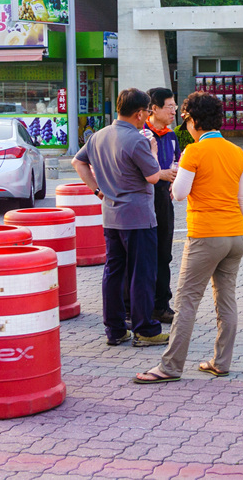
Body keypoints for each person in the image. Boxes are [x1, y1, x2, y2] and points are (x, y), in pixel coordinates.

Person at [133, 91, 243, 384]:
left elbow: (179, 193)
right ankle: (220, 362)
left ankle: (170, 367)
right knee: (227, 299)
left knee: (187, 300)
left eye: (186, 120)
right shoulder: (237, 152)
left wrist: (178, 175)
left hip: (206, 234)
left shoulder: (193, 152)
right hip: (235, 234)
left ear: (194, 121)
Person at [73, 88, 168, 348]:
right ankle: (145, 330)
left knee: (113, 273)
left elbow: (78, 163)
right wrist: (153, 150)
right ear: (139, 113)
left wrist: (97, 190)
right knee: (142, 274)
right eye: (147, 111)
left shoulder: (99, 136)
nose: (147, 116)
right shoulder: (137, 140)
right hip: (138, 217)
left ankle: (115, 330)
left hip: (111, 216)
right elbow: (153, 176)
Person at [144, 87, 181, 324]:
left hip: (164, 199)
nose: (173, 112)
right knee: (142, 254)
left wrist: (174, 178)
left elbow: (177, 160)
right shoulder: (141, 133)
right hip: (143, 198)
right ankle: (138, 305)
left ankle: (161, 305)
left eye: (174, 107)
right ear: (154, 108)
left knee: (164, 254)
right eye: (169, 107)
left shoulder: (171, 135)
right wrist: (160, 174)